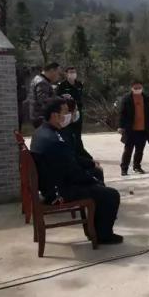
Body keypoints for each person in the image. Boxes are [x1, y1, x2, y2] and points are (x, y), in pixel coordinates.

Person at [30, 98, 122, 245]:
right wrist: (92, 180)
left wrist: (91, 165)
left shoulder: (43, 132)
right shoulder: (54, 140)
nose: (69, 115)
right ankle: (103, 236)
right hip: (58, 192)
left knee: (97, 176)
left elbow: (70, 159)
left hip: (53, 184)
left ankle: (95, 229)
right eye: (66, 112)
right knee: (111, 195)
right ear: (55, 115)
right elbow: (72, 172)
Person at [60, 98, 104, 184]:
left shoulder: (72, 129)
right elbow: (72, 157)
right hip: (70, 172)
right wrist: (91, 163)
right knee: (98, 173)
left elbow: (80, 148)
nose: (77, 112)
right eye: (76, 110)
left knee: (97, 169)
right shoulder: (63, 132)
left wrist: (91, 160)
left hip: (75, 164)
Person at [118, 81, 149, 176]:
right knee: (128, 150)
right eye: (136, 88)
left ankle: (137, 166)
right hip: (130, 130)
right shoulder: (126, 99)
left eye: (139, 87)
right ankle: (124, 168)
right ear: (132, 88)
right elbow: (122, 113)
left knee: (140, 150)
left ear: (142, 87)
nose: (138, 89)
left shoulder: (146, 98)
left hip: (143, 130)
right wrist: (121, 126)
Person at [56, 67, 85, 145]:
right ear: (66, 74)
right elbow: (57, 98)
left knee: (78, 133)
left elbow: (81, 97)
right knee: (67, 133)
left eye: (74, 72)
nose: (73, 74)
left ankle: (79, 149)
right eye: (71, 72)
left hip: (78, 111)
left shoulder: (79, 84)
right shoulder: (61, 85)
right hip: (67, 112)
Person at [28, 62, 60, 128]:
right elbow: (43, 101)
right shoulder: (42, 82)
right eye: (58, 73)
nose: (58, 76)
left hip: (37, 116)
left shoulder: (38, 78)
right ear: (52, 70)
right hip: (41, 117)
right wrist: (59, 99)